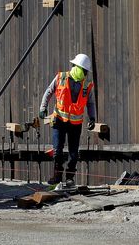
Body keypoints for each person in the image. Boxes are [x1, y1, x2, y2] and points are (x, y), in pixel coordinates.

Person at [38, 53, 96, 187]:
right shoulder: (61, 77)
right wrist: (43, 107)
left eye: (85, 71)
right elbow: (49, 91)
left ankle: (70, 177)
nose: (84, 73)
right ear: (75, 66)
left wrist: (92, 118)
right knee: (57, 151)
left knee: (74, 153)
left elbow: (90, 103)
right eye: (83, 70)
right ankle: (57, 176)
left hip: (76, 123)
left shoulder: (87, 84)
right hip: (59, 120)